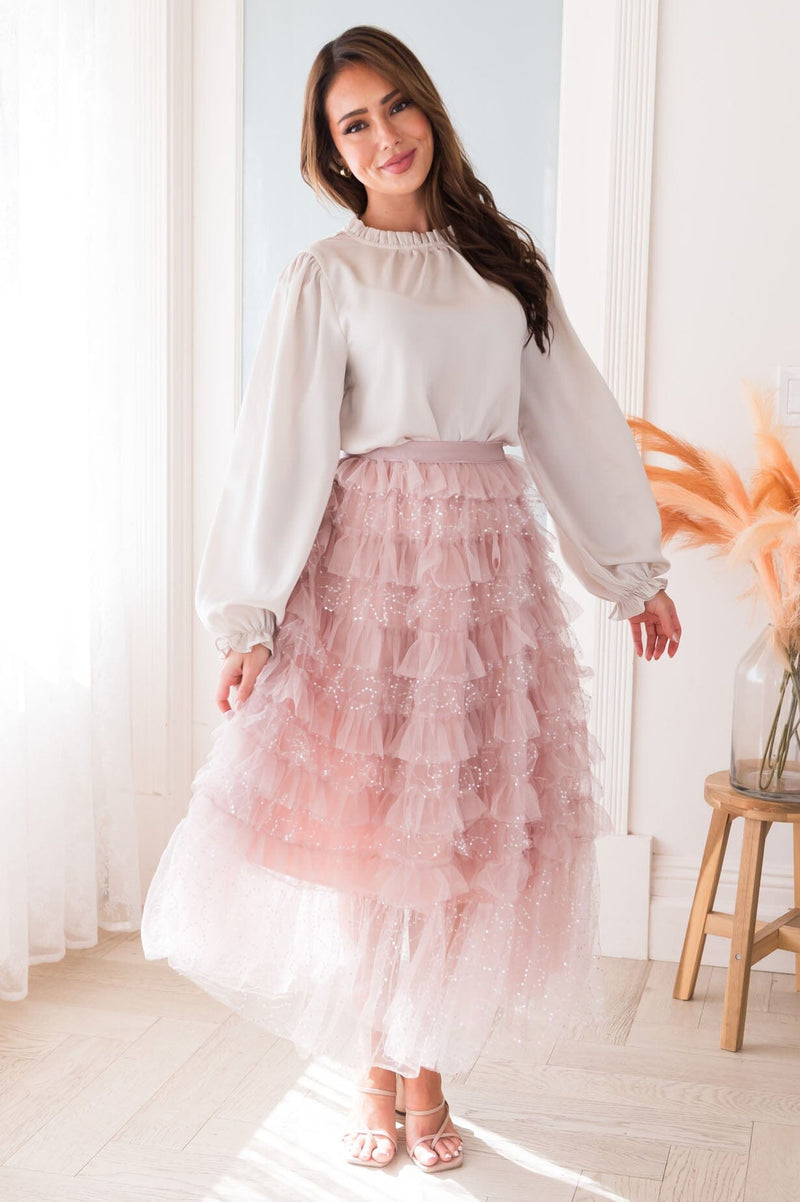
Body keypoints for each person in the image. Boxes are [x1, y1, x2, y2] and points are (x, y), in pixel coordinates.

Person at [140, 24, 682, 1175]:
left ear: (425, 107)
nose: (384, 135)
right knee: (375, 826)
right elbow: (278, 449)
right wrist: (248, 615)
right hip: (367, 570)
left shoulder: (503, 263)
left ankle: (424, 1066)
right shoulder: (325, 276)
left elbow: (568, 420)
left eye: (395, 106)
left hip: (485, 571)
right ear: (331, 153)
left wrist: (628, 572)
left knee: (459, 826)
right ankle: (373, 1066)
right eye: (354, 123)